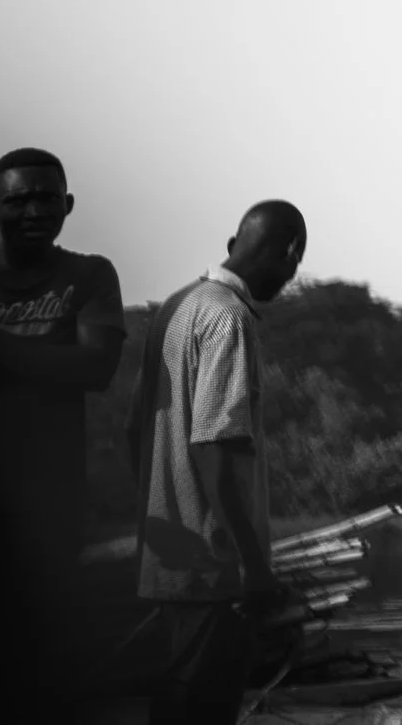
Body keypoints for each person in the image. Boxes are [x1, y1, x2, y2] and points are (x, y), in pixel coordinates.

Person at [0, 147, 126, 719]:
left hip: (51, 496)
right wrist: (50, 355)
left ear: (68, 204)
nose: (33, 210)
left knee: (43, 647)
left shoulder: (90, 273)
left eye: (47, 197)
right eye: (18, 199)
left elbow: (95, 370)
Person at [131, 201, 307, 725]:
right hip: (212, 563)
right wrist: (253, 568)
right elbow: (215, 448)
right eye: (295, 263)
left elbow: (132, 428)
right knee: (204, 705)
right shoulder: (229, 317)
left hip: (168, 552)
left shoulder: (176, 306)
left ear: (233, 245)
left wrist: (160, 518)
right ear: (290, 254)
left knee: (177, 697)